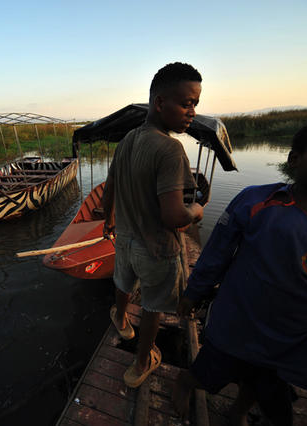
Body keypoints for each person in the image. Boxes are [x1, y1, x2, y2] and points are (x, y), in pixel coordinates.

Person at [173, 112, 307, 425]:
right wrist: (194, 294)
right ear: (295, 159)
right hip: (237, 323)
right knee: (211, 369)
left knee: (264, 382)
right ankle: (186, 382)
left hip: (296, 338)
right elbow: (217, 253)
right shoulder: (258, 201)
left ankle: (238, 411)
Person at [102, 62, 205, 388]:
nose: (192, 112)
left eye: (195, 105)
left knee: (123, 283)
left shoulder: (128, 140)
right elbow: (174, 217)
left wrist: (108, 220)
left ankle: (119, 319)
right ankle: (141, 362)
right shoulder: (170, 149)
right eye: (187, 103)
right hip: (157, 248)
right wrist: (198, 211)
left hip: (127, 240)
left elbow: (110, 189)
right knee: (153, 305)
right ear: (160, 102)